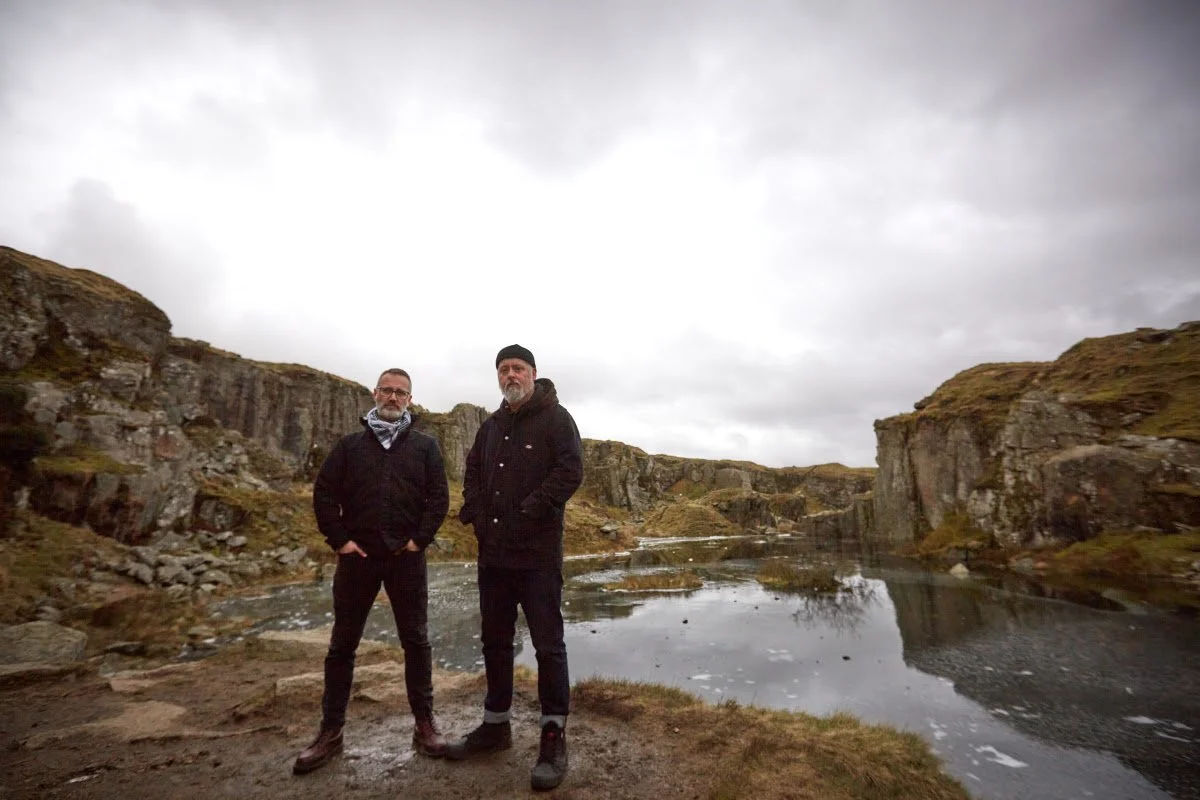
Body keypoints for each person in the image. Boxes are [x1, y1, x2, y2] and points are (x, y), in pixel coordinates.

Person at [293, 367, 451, 775]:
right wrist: (340, 540)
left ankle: (424, 724)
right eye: (387, 390)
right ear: (375, 393)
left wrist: (419, 540)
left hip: (406, 560)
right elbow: (324, 493)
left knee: (416, 641)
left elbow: (439, 497)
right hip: (357, 560)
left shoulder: (425, 447)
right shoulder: (350, 446)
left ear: (410, 400)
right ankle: (330, 731)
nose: (394, 397)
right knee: (342, 645)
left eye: (401, 392)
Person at [444, 344, 584, 791]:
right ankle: (495, 726)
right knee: (495, 641)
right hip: (494, 557)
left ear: (533, 373)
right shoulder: (491, 426)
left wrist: (530, 510)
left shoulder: (557, 419)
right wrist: (476, 514)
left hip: (538, 557)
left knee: (548, 646)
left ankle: (553, 736)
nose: (510, 375)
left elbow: (570, 471)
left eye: (518, 368)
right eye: (503, 369)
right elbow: (472, 471)